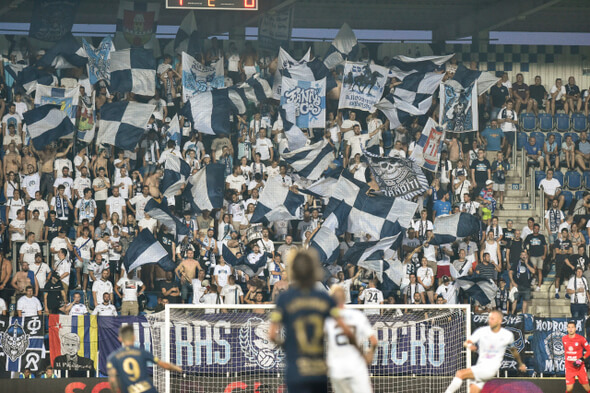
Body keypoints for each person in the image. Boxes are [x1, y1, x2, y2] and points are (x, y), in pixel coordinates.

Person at [269, 250, 356, 393]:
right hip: (318, 370)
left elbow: (272, 335)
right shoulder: (324, 298)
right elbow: (344, 330)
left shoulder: (284, 299)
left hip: (296, 369)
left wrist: (289, 346)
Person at [444, 309, 526, 393]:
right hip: (480, 366)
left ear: (500, 320)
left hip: (490, 368)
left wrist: (520, 363)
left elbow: (514, 350)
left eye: (492, 319)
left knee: (460, 374)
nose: (490, 321)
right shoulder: (482, 331)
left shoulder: (507, 335)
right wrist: (470, 346)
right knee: (473, 389)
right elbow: (466, 343)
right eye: (489, 318)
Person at [326, 284, 377, 393]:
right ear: (345, 298)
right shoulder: (357, 315)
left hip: (337, 369)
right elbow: (374, 341)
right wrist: (370, 353)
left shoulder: (327, 319)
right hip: (356, 365)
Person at [107, 325, 182, 393]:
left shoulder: (113, 357)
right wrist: (176, 368)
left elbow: (112, 380)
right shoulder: (142, 352)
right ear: (134, 337)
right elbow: (163, 365)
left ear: (120, 339)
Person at [562, 320, 590, 393]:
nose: (570, 329)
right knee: (569, 389)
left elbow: (589, 350)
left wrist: (581, 359)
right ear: (567, 329)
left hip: (580, 367)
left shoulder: (581, 339)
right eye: (569, 327)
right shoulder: (564, 338)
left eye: (572, 327)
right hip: (569, 368)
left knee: (587, 388)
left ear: (575, 328)